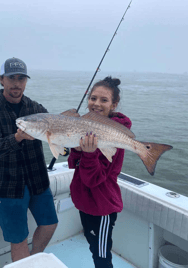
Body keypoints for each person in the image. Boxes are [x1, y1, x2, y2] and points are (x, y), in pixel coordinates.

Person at [0, 57, 58, 262]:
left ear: (26, 81)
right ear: (1, 79)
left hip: (37, 179)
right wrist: (17, 138)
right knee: (19, 239)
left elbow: (56, 137)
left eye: (21, 78)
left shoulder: (35, 108)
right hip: (7, 185)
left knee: (50, 223)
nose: (16, 83)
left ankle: (33, 259)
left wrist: (68, 148)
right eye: (11, 77)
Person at [68, 76, 132, 268]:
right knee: (91, 242)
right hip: (85, 202)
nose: (96, 104)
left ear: (114, 104)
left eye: (104, 100)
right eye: (93, 98)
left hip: (102, 207)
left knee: (101, 254)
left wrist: (88, 154)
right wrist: (77, 149)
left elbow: (93, 179)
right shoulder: (84, 126)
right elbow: (73, 164)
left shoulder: (114, 136)